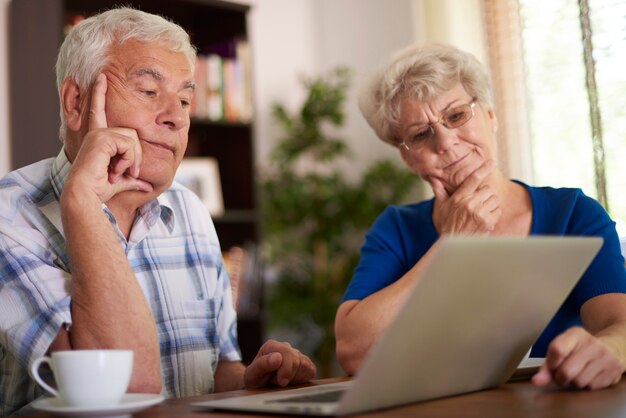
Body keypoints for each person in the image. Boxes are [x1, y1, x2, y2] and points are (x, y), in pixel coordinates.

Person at [0, 7, 315, 416]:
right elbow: (124, 393)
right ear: (76, 103)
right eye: (149, 92)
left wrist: (252, 381)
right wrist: (81, 200)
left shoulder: (191, 212)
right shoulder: (10, 215)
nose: (177, 117)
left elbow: (217, 371)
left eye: (185, 99)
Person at [335, 43, 626, 390]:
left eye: (456, 116)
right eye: (420, 134)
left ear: (490, 116)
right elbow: (354, 351)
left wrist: (610, 349)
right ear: (408, 158)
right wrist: (451, 245)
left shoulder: (573, 213)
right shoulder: (397, 228)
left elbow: (618, 323)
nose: (445, 141)